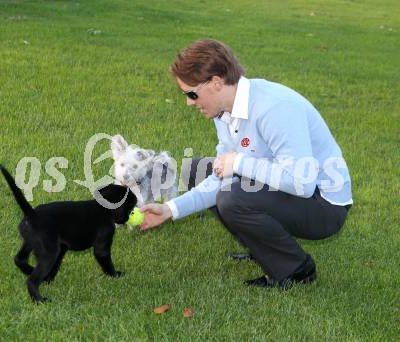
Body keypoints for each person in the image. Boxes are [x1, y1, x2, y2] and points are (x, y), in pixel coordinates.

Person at [140, 39, 352, 290]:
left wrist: (240, 162)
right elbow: (222, 174)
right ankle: (264, 246)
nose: (189, 102)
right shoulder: (224, 112)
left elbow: (302, 183)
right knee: (198, 170)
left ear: (216, 82)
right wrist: (170, 209)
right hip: (290, 190)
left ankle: (295, 270)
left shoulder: (274, 108)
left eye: (191, 93)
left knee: (233, 197)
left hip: (324, 205)